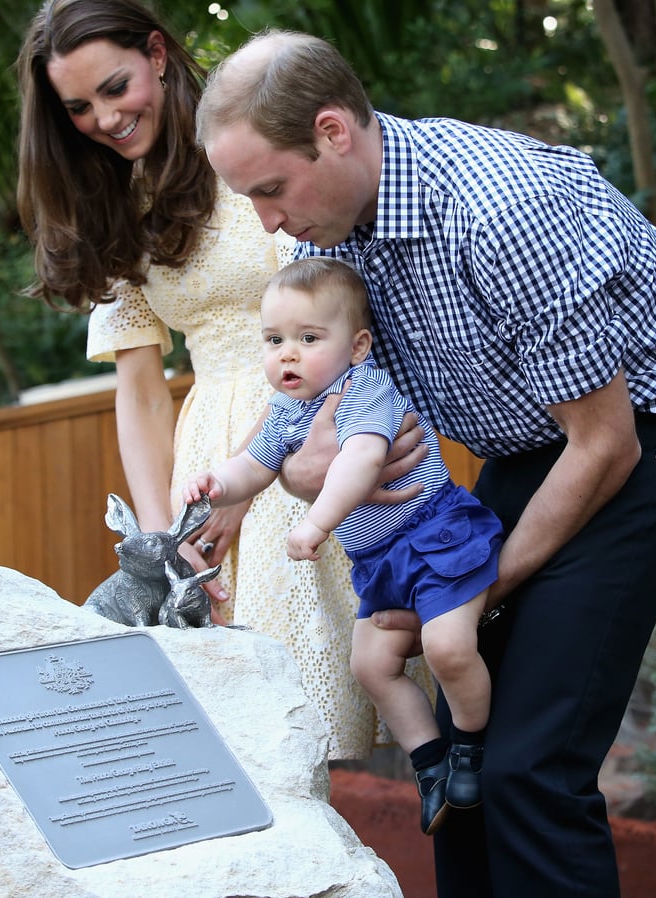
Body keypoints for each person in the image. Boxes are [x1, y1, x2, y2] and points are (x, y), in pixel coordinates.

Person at [196, 29, 656, 898]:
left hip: (637, 442)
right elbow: (304, 432)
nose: (268, 223)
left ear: (333, 132)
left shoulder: (499, 207)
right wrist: (248, 495)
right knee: (464, 772)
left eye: (270, 189)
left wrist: (476, 588)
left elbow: (605, 442)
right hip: (518, 454)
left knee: (531, 765)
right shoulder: (320, 244)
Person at [13, 1, 437, 761]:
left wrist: (252, 482)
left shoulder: (248, 153)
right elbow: (139, 387)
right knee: (226, 728)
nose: (104, 118)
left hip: (309, 424)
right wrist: (161, 536)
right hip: (204, 454)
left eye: (115, 87)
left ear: (158, 54)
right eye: (78, 107)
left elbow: (321, 326)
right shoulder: (113, 205)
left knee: (318, 709)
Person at [184, 256, 504, 834]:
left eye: (308, 339)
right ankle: (429, 764)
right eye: (274, 339)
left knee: (448, 647)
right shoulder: (289, 408)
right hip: (380, 559)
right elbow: (254, 465)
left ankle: (469, 750)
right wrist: (217, 484)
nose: (287, 353)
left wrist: (316, 524)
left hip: (431, 536)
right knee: (370, 664)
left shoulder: (367, 388)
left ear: (356, 347)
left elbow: (358, 461)